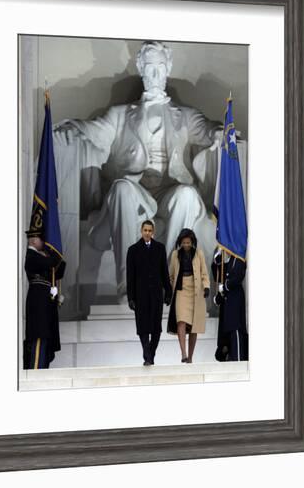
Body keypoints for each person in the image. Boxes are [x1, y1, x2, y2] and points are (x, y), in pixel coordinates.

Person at [54, 41, 221, 298]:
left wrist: (222, 133)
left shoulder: (185, 115)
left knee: (187, 194)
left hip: (170, 192)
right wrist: (73, 127)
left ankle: (169, 281)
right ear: (141, 70)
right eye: (150, 68)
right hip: (136, 192)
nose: (155, 75)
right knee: (121, 188)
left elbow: (208, 129)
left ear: (168, 69)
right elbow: (95, 130)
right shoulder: (121, 114)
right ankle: (128, 284)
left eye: (160, 68)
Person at [126, 220, 172, 365]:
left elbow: (165, 272)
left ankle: (150, 354)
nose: (147, 233)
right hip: (140, 295)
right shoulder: (133, 250)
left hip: (156, 294)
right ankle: (148, 355)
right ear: (141, 231)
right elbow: (130, 276)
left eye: (149, 230)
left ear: (153, 232)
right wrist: (131, 297)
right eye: (145, 230)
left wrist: (168, 293)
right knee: (143, 327)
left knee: (156, 328)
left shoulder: (160, 248)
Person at [23, 228, 66, 369]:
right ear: (34, 240)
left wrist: (58, 255)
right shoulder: (31, 256)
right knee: (39, 338)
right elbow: (50, 263)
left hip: (45, 305)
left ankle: (42, 367)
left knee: (46, 339)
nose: (45, 243)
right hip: (38, 304)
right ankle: (36, 369)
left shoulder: (42, 256)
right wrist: (55, 253)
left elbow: (58, 271)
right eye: (43, 240)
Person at [167, 228, 210, 363]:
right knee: (181, 321)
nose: (186, 245)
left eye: (188, 242)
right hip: (181, 290)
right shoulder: (175, 254)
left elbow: (204, 273)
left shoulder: (199, 254)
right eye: (184, 242)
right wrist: (169, 291)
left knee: (194, 326)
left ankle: (190, 357)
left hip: (195, 291)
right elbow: (171, 276)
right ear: (180, 242)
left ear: (192, 242)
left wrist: (207, 286)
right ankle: (183, 354)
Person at [212, 248, 248, 361]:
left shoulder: (238, 258)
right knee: (227, 331)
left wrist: (225, 286)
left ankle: (238, 358)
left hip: (235, 299)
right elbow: (219, 275)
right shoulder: (230, 259)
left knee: (235, 328)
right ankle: (231, 357)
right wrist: (217, 261)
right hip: (227, 301)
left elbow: (237, 277)